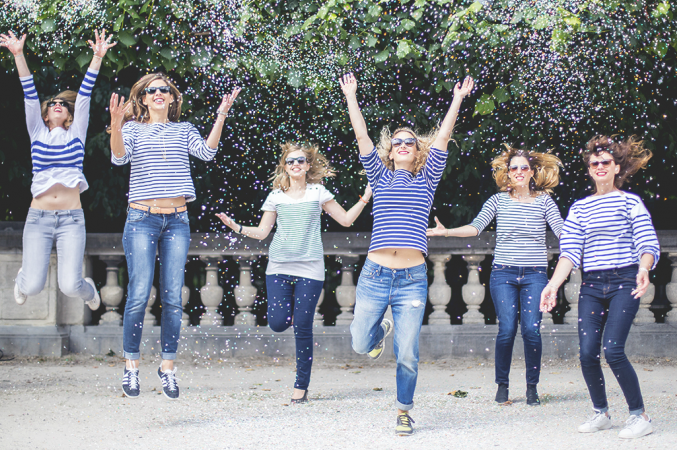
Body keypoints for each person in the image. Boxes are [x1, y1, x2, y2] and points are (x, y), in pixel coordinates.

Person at [340, 72, 474, 436]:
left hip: (412, 280)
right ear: (390, 151)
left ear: (417, 152)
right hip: (376, 274)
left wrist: (457, 99)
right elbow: (362, 136)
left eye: (409, 142)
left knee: (408, 354)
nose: (402, 145)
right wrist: (351, 96)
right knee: (358, 342)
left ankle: (403, 410)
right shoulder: (380, 177)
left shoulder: (427, 179)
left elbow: (444, 137)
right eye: (397, 141)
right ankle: (380, 330)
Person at [109, 74, 241, 400]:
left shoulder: (183, 130)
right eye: (151, 90)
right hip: (142, 218)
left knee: (172, 296)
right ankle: (131, 365)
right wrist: (115, 123)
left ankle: (167, 367)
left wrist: (221, 114)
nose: (157, 93)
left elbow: (207, 153)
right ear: (142, 98)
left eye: (163, 89)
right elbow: (118, 158)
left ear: (171, 98)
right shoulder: (133, 130)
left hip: (177, 220)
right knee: (139, 293)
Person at [216, 142, 372, 403]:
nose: (296, 164)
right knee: (277, 323)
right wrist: (237, 227)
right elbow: (263, 232)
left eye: (300, 160)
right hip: (278, 268)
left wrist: (365, 197)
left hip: (310, 269)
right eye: (291, 162)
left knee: (302, 327)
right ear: (285, 167)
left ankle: (301, 387)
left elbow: (346, 220)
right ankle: (293, 320)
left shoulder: (318, 192)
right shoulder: (275, 195)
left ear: (308, 165)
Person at [539, 135, 659, 439]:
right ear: (590, 170)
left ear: (617, 167)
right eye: (595, 163)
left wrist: (644, 269)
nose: (600, 166)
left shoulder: (630, 201)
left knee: (613, 349)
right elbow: (569, 253)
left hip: (624, 281)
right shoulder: (579, 208)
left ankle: (639, 415)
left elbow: (647, 242)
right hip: (592, 285)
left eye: (606, 162)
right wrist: (553, 285)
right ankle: (601, 412)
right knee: (588, 353)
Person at [428, 146, 563, 406]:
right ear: (508, 173)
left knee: (532, 331)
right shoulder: (497, 200)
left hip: (535, 274)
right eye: (514, 168)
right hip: (504, 274)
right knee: (507, 329)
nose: (520, 172)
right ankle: (502, 385)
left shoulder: (545, 200)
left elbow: (562, 231)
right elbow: (475, 227)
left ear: (532, 172)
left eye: (524, 167)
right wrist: (445, 233)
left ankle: (532, 388)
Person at [0, 29, 115, 311]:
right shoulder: (37, 132)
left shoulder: (76, 134)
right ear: (45, 114)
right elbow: (28, 91)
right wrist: (18, 54)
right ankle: (21, 279)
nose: (58, 104)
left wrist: (97, 58)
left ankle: (89, 291)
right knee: (33, 286)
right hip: (38, 218)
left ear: (70, 115)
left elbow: (85, 94)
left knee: (71, 285)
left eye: (63, 104)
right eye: (53, 104)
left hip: (72, 220)